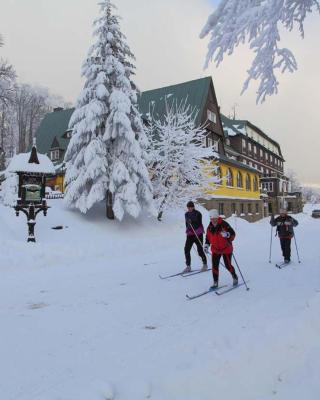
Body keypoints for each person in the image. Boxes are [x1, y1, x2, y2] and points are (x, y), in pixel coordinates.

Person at [204, 209, 238, 289]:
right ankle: (215, 282)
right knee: (215, 266)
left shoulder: (224, 224)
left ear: (217, 217)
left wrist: (227, 234)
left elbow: (233, 234)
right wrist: (206, 245)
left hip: (226, 248)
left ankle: (234, 276)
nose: (213, 220)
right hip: (215, 249)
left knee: (228, 265)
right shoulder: (210, 227)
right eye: (211, 219)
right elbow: (208, 238)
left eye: (214, 218)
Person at [183, 201, 207, 273]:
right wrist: (188, 229)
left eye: (191, 207)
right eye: (188, 207)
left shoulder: (198, 213)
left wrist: (191, 222)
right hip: (190, 235)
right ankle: (188, 266)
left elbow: (199, 223)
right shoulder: (186, 214)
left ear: (193, 207)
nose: (189, 208)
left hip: (198, 234)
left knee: (200, 250)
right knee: (186, 249)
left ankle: (205, 264)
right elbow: (187, 224)